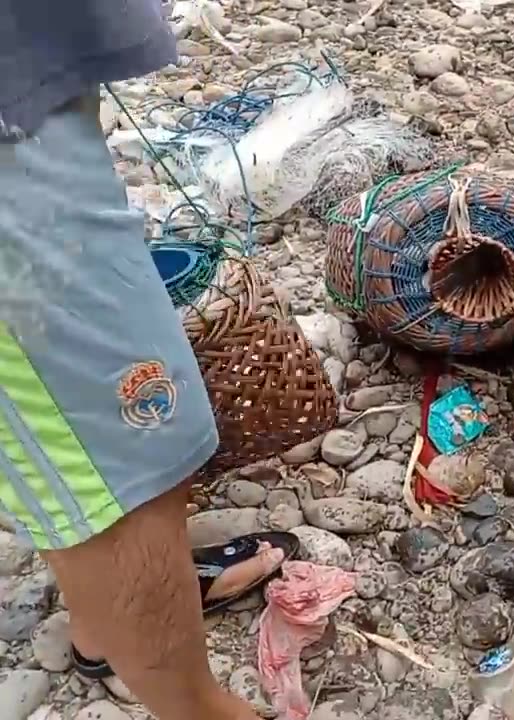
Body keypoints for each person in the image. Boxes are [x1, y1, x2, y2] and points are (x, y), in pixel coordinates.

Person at [1, 2, 285, 718]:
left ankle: (103, 627)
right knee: (121, 445)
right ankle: (197, 707)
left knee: (105, 438)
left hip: (30, 63)